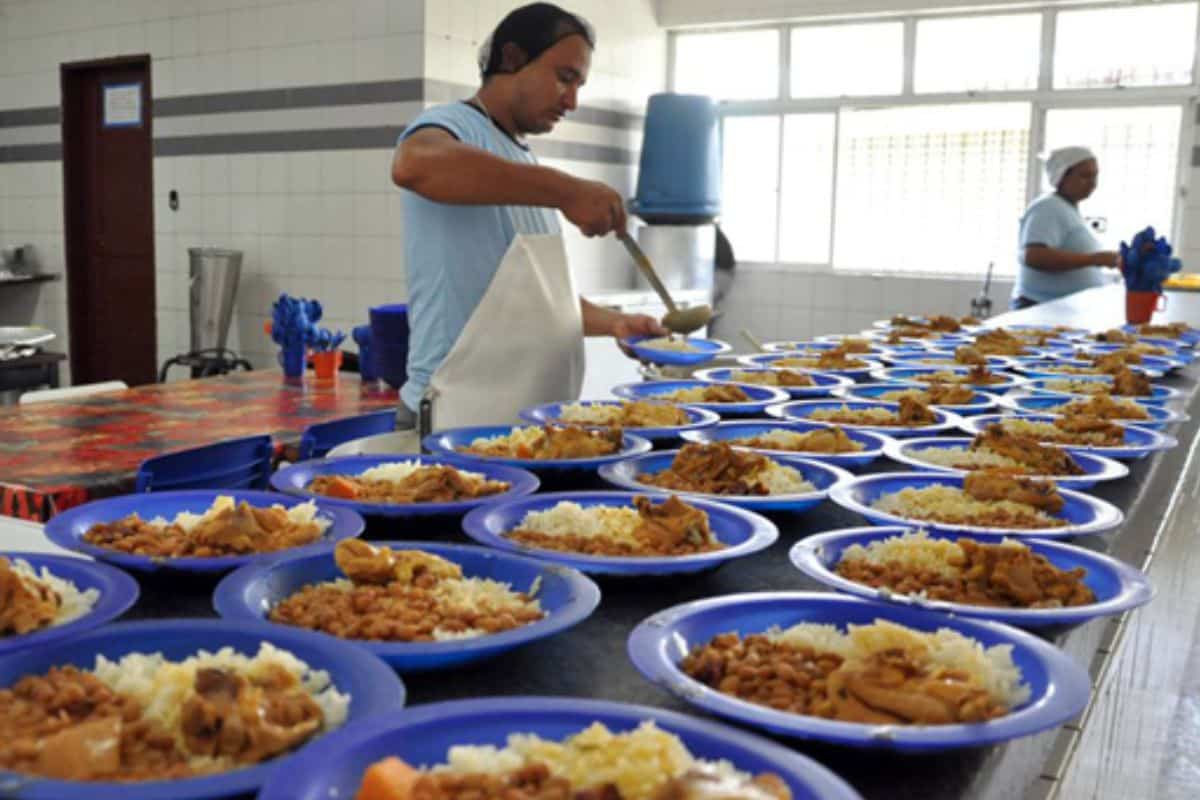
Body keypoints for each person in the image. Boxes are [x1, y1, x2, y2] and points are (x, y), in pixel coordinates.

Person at [388, 2, 666, 434]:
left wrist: (614, 322)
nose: (572, 101)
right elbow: (414, 165)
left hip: (523, 424)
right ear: (513, 58)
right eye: (564, 77)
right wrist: (567, 190)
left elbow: (535, 300)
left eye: (579, 84)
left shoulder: (520, 161)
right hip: (457, 416)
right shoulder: (451, 125)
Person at [1011, 146, 1121, 309]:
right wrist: (1095, 259)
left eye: (1095, 176)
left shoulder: (1068, 209)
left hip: (1060, 309)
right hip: (1041, 307)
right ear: (1061, 176)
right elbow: (1035, 256)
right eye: (1085, 176)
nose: (1092, 183)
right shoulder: (1048, 207)